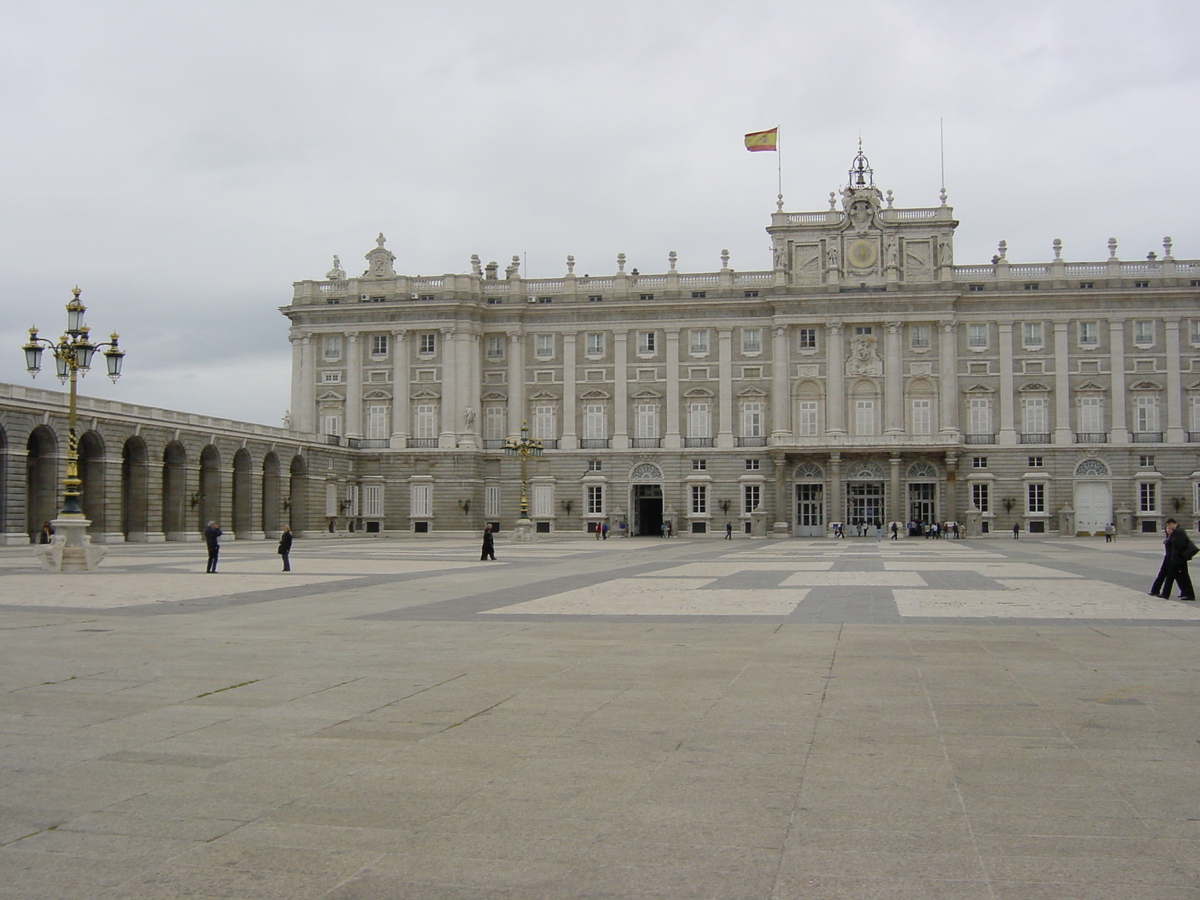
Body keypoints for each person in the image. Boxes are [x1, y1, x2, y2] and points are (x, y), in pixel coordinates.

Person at [1159, 518, 1195, 601]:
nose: (1168, 527)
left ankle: (1165, 594)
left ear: (1171, 523)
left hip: (1178, 559)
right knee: (1183, 576)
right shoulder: (1177, 531)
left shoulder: (1179, 532)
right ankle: (1188, 594)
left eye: (1168, 525)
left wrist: (1176, 554)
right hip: (1179, 558)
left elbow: (1181, 545)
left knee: (1171, 576)